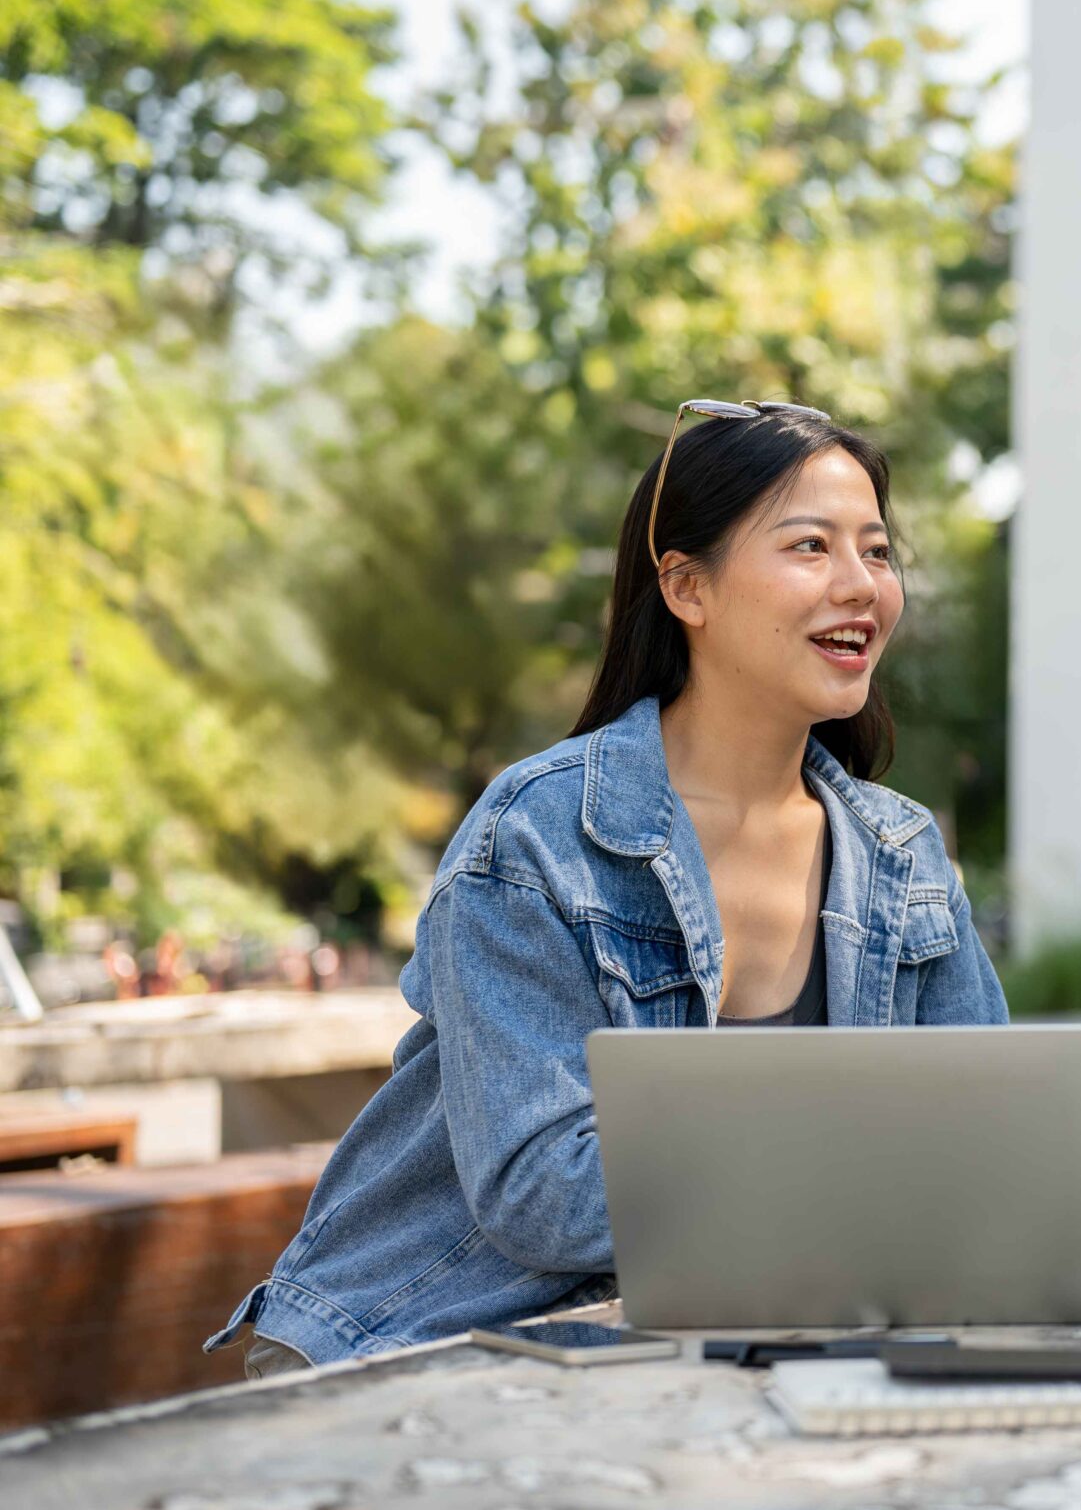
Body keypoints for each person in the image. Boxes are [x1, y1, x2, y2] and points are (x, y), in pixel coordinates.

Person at [206, 402, 1007, 1375]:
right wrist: (856, 1157)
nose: (861, 586)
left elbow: (989, 1141)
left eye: (877, 552)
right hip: (422, 1344)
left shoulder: (902, 852)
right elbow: (545, 1191)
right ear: (687, 586)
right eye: (810, 546)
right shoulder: (536, 832)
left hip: (710, 1345)